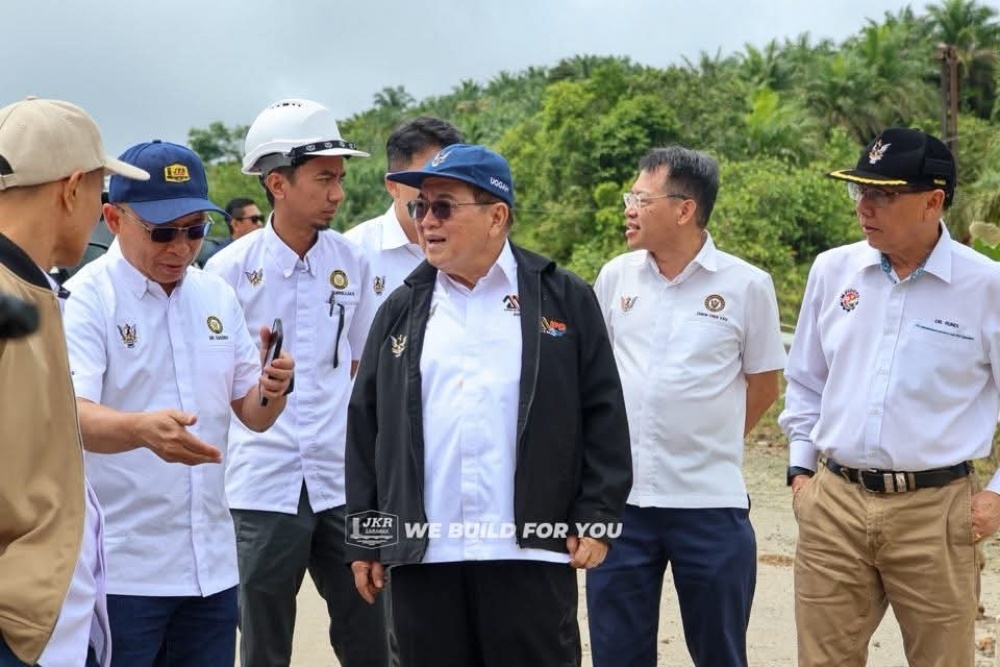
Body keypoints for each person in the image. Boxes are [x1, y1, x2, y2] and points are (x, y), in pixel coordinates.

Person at [345, 143, 633, 666]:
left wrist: (598, 516)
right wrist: (367, 540)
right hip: (423, 555)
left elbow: (604, 412)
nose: (426, 220)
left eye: (443, 206)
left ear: (497, 215)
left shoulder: (563, 298)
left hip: (529, 551)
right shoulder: (401, 310)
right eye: (419, 207)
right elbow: (367, 429)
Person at [62, 140, 294, 667]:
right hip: (125, 571)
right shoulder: (86, 302)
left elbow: (252, 413)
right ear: (113, 218)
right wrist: (141, 429)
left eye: (195, 231)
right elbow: (69, 415)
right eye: (163, 232)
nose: (181, 248)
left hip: (211, 567)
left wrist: (272, 388)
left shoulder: (216, 297)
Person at [780, 127, 1000, 665]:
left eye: (885, 194)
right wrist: (800, 472)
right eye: (860, 191)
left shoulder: (986, 286)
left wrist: (997, 496)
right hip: (833, 503)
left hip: (935, 511)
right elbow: (807, 379)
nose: (866, 207)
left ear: (933, 202)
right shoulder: (834, 271)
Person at [585, 146, 786, 667]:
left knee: (719, 652)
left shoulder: (746, 285)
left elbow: (764, 383)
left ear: (683, 209)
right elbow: (596, 380)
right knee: (617, 653)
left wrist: (710, 442)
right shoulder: (615, 277)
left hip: (709, 506)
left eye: (640, 198)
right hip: (622, 507)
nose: (628, 207)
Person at [203, 98, 385, 667]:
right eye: (324, 178)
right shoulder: (227, 271)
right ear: (277, 182)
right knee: (262, 639)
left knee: (370, 627)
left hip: (342, 480)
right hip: (261, 483)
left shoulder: (352, 261)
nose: (337, 193)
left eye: (340, 179)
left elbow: (360, 363)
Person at [0, 96, 148, 667]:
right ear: (69, 190)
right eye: (98, 193)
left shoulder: (37, 291)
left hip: (50, 625)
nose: (98, 211)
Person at [344, 116, 463, 300]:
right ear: (393, 186)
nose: (440, 191)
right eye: (425, 180)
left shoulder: (473, 247)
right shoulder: (352, 254)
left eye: (450, 179)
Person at [195, 197, 263, 267]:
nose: (260, 223)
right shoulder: (219, 260)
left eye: (261, 218)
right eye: (254, 219)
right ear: (236, 224)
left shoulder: (264, 250)